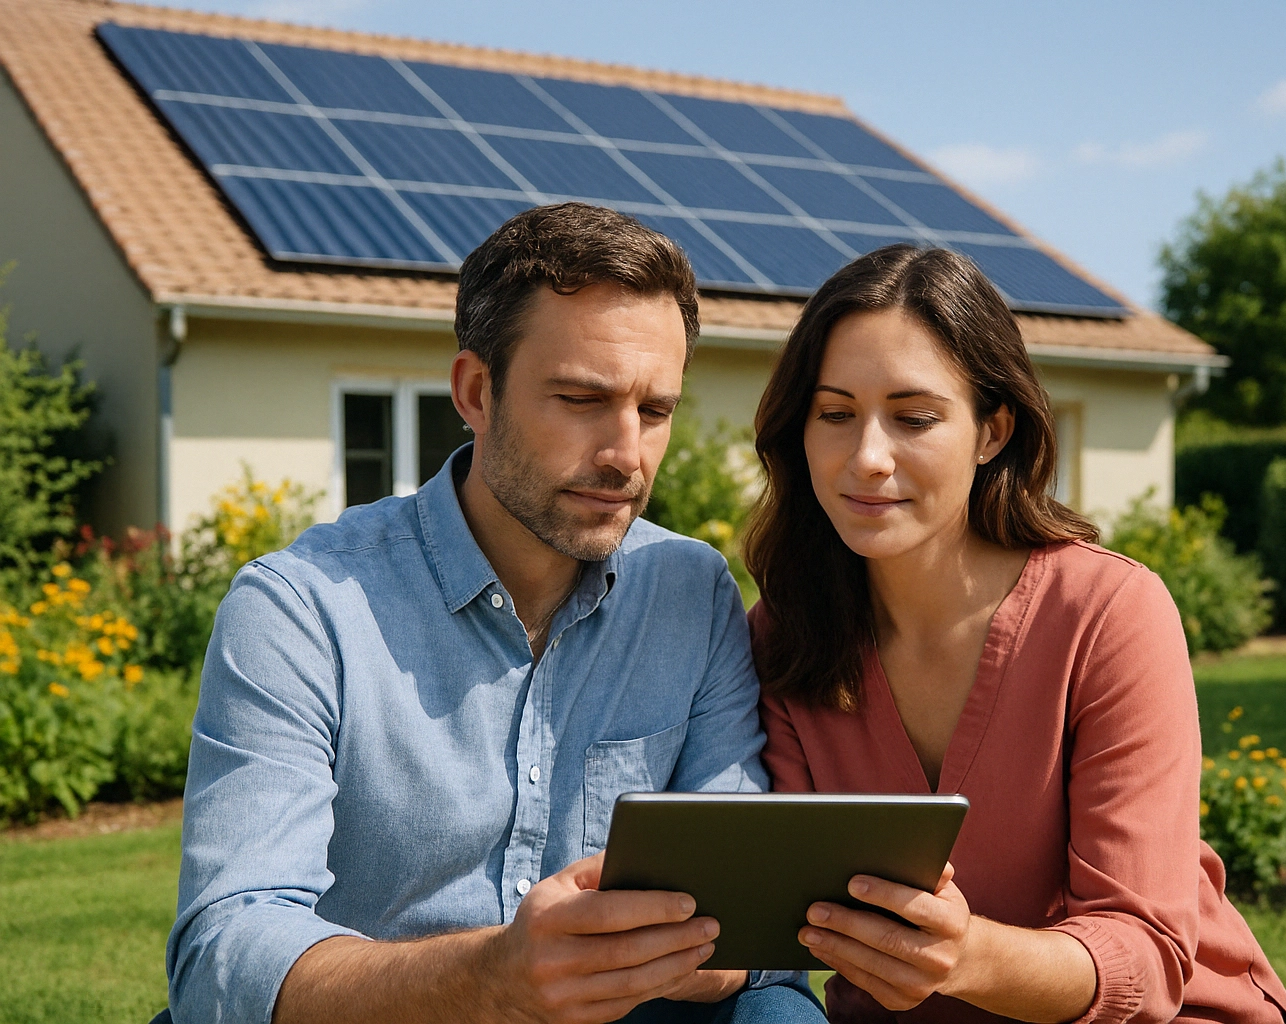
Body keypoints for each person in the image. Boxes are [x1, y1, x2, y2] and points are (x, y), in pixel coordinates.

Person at [163, 203, 823, 1024]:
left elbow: (745, 906)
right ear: (476, 392)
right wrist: (491, 976)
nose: (626, 455)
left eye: (654, 411)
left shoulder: (690, 591)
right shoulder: (300, 608)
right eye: (582, 399)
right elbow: (224, 955)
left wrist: (720, 953)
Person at [743, 245, 1286, 1024]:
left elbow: (1144, 953)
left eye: (914, 418)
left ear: (991, 431)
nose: (867, 457)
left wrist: (966, 957)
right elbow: (784, 917)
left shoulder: (1109, 612)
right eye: (835, 414)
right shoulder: (784, 632)